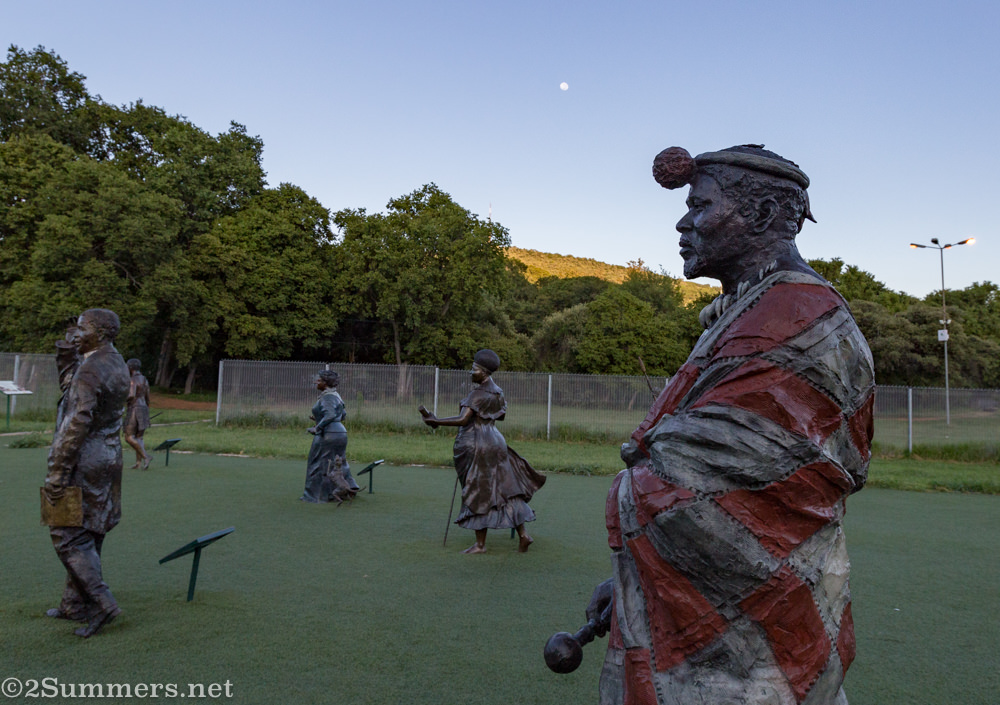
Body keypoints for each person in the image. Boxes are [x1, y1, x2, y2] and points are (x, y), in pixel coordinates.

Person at [584, 145, 875, 704]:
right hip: (742, 625)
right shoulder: (750, 311)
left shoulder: (795, 317)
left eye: (701, 205)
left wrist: (644, 480)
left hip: (762, 635)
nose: (683, 221)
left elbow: (704, 485)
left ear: (763, 216)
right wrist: (633, 586)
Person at [44, 308, 131, 638]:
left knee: (66, 533)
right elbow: (69, 385)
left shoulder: (90, 370)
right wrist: (68, 349)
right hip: (108, 457)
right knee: (90, 531)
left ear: (101, 333)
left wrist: (57, 471)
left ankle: (103, 603)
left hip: (84, 458)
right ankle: (74, 604)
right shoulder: (113, 361)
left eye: (82, 327)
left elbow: (76, 423)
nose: (75, 331)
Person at [419, 349, 546, 554]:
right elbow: (498, 415)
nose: (471, 372)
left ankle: (480, 544)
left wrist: (435, 420)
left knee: (477, 491)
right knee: (506, 489)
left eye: (474, 369)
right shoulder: (498, 391)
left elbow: (463, 420)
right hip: (496, 442)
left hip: (479, 445)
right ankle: (523, 535)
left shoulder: (477, 394)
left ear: (484, 372)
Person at [301, 370, 360, 503]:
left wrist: (318, 427)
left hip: (328, 435)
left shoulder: (328, 397)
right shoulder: (336, 396)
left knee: (320, 463)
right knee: (338, 463)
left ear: (326, 383)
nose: (317, 382)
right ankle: (348, 489)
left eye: (319, 380)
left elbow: (330, 415)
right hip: (339, 432)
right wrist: (318, 419)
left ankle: (319, 496)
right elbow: (342, 415)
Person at [123, 358, 152, 470]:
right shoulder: (144, 379)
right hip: (144, 407)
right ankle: (138, 463)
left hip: (135, 408)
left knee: (128, 437)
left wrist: (121, 399)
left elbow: (130, 395)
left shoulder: (133, 380)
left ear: (130, 367)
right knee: (139, 437)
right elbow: (148, 397)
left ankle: (146, 457)